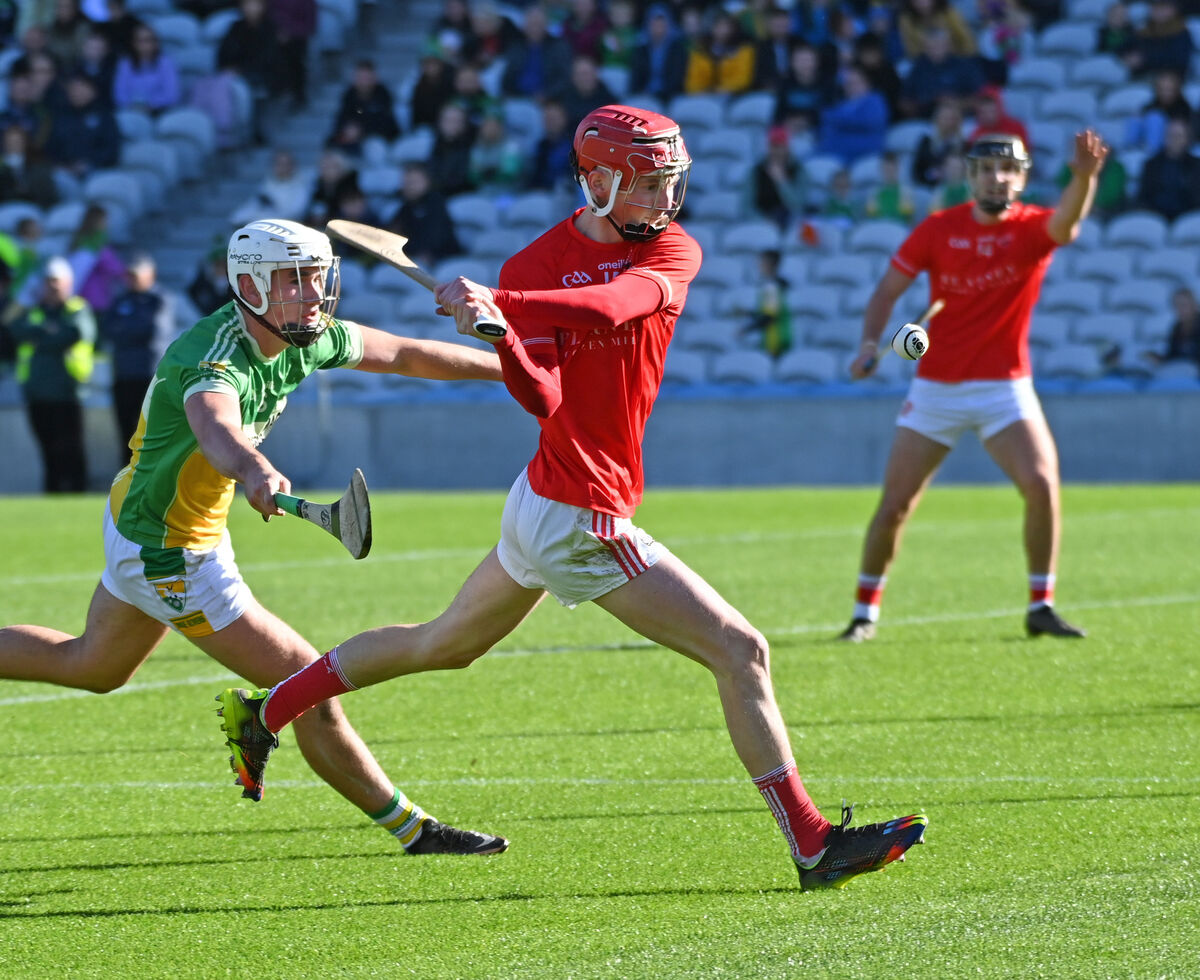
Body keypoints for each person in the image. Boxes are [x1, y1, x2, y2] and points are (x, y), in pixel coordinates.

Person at [215, 106, 929, 892]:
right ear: (599, 180)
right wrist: (502, 338)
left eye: (671, 181)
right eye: (652, 183)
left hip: (545, 500)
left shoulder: (669, 250)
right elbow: (543, 395)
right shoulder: (532, 264)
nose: (668, 198)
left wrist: (508, 311)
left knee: (442, 643)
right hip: (581, 511)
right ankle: (812, 842)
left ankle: (270, 708)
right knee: (740, 650)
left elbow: (618, 306)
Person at [0, 219, 510, 857]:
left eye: (317, 278)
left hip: (153, 524)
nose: (312, 293)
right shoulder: (210, 356)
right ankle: (414, 830)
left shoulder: (303, 335)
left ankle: (267, 724)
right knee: (308, 679)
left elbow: (404, 353)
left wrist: (514, 372)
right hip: (169, 550)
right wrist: (254, 468)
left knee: (92, 667)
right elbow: (216, 424)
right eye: (292, 281)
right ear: (248, 287)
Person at [838, 131, 1108, 644]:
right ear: (971, 177)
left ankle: (1040, 605)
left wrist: (1084, 178)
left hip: (1005, 389)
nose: (996, 177)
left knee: (1042, 485)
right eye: (986, 169)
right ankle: (863, 613)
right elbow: (888, 290)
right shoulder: (939, 228)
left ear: (1022, 179)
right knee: (895, 505)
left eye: (1006, 170)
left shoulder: (1031, 229)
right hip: (936, 389)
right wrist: (869, 344)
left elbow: (1067, 224)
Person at [8, 256, 94, 493]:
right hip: (37, 392)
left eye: (56, 281)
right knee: (47, 448)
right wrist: (48, 333)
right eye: (48, 281)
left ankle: (77, 491)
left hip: (68, 391)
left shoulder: (76, 309)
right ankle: (53, 491)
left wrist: (40, 336)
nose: (52, 286)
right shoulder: (35, 311)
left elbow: (73, 335)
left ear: (67, 282)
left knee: (70, 447)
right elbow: (15, 330)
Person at [100, 251, 175, 460]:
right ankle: (126, 484)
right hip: (123, 374)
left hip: (150, 376)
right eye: (129, 275)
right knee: (126, 433)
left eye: (135, 275)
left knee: (151, 432)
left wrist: (125, 330)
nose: (131, 279)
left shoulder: (160, 299)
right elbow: (107, 329)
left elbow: (154, 330)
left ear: (150, 274)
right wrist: (132, 329)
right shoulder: (121, 299)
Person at [1136, 118, 1200, 220]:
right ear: (1165, 138)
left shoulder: (1197, 165)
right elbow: (1143, 196)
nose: (1174, 140)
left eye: (1179, 136)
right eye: (1171, 136)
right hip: (1156, 215)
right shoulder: (1151, 165)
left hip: (1187, 215)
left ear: (1187, 139)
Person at [1145, 286, 1200, 367]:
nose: (1180, 309)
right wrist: (1157, 358)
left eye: (1184, 305)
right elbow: (1172, 357)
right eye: (1176, 306)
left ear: (1194, 305)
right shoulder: (1176, 328)